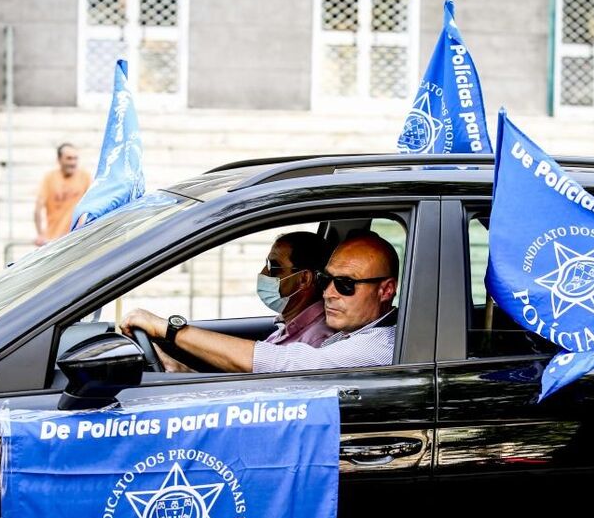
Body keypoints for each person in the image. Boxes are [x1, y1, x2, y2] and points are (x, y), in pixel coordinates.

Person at [121, 232, 399, 373]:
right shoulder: (348, 333)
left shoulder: (377, 346)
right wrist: (179, 371)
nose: (327, 292)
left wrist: (170, 330)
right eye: (327, 280)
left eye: (345, 284)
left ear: (386, 290)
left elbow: (284, 363)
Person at [34, 143, 92, 246]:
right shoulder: (49, 178)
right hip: (53, 240)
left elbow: (92, 204)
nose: (73, 162)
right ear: (59, 160)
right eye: (69, 158)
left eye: (75, 158)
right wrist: (40, 234)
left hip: (77, 238)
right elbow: (38, 208)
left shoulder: (85, 177)